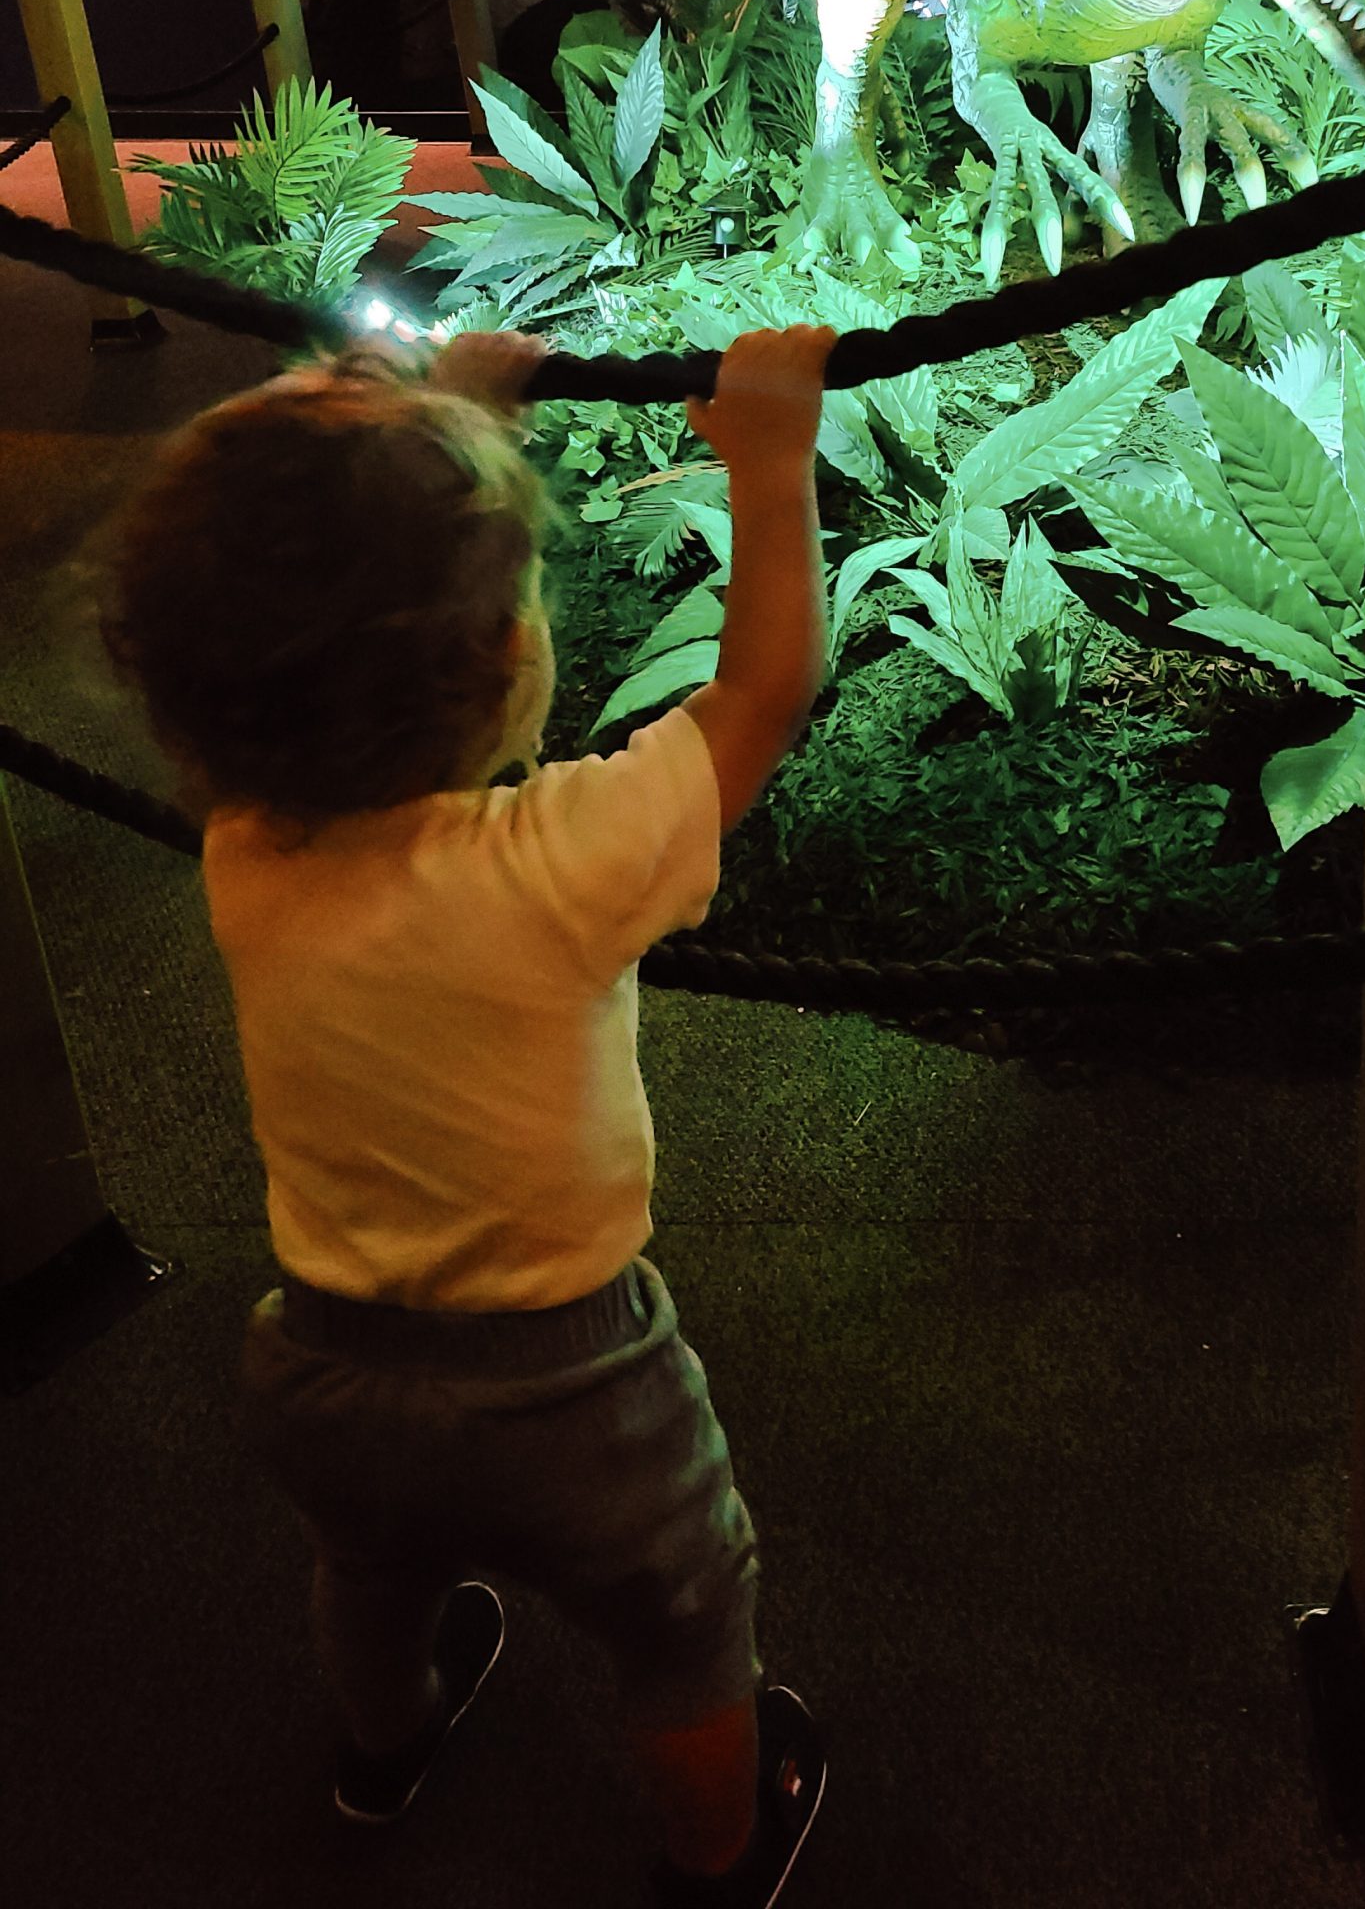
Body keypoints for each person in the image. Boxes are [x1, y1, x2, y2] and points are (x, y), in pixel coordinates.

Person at [99, 319, 837, 1909]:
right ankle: (723, 1850)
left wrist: (436, 417)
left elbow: (289, 606)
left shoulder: (246, 849)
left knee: (370, 1568)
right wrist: (772, 466)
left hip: (318, 1365)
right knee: (685, 1615)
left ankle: (388, 1747)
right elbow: (769, 687)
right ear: (510, 662)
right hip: (577, 1391)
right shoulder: (561, 864)